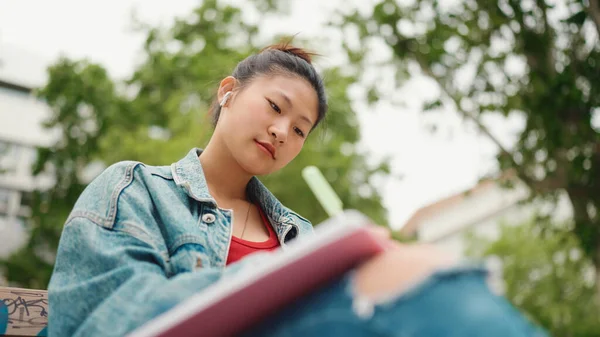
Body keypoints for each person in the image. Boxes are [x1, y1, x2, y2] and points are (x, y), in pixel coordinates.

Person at [47, 42, 547, 337]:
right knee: (415, 272)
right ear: (229, 92)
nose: (284, 132)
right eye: (275, 107)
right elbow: (102, 318)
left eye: (301, 129)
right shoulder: (135, 188)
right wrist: (268, 281)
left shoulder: (300, 235)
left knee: (417, 271)